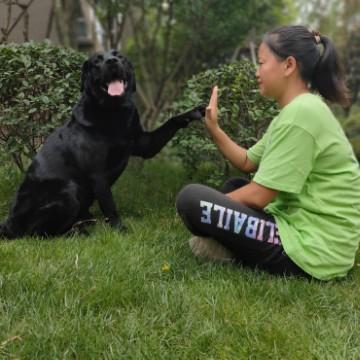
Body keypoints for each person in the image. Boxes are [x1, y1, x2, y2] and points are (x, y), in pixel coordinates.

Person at [175, 25, 360, 281]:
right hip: (306, 231)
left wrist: (211, 209)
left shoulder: (302, 114)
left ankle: (222, 246)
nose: (257, 71)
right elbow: (247, 161)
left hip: (316, 248)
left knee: (191, 200)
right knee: (232, 186)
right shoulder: (297, 111)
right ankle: (222, 241)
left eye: (262, 62)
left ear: (288, 65)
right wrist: (214, 128)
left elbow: (259, 196)